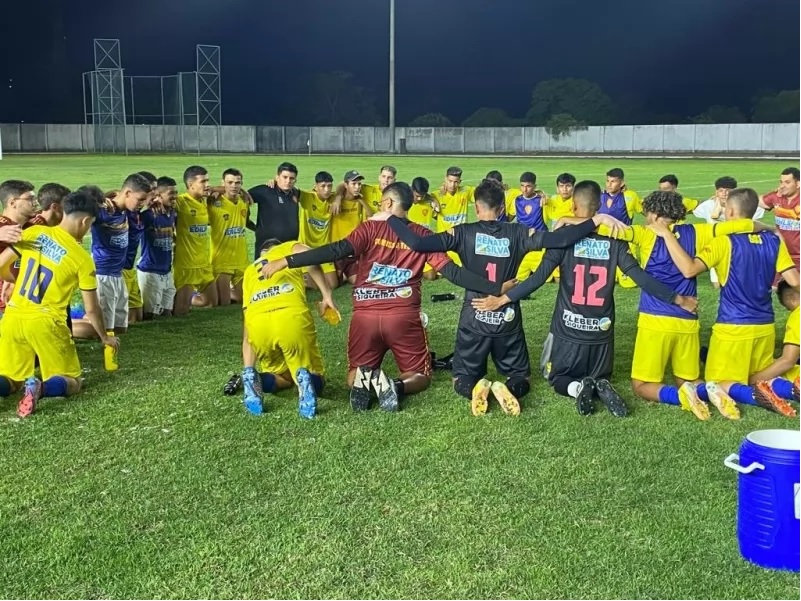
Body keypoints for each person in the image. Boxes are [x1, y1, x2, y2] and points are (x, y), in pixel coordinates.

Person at [387, 178, 628, 416]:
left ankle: (475, 389)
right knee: (520, 376)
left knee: (461, 377)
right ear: (503, 209)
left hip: (475, 316)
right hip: (507, 316)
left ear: (477, 207)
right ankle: (509, 388)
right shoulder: (519, 232)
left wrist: (391, 217)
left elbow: (417, 243)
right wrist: (595, 219)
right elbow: (560, 239)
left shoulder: (462, 233)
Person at [260, 182, 504, 413]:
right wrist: (495, 287)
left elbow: (336, 251)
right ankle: (395, 386)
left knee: (353, 375)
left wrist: (286, 261)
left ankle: (368, 378)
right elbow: (452, 272)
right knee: (420, 376)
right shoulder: (422, 235)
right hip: (403, 316)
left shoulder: (369, 228)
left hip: (365, 316)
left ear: (387, 203)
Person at [472, 181, 697, 418]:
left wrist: (503, 299)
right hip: (601, 334)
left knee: (555, 377)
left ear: (572, 204)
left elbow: (537, 278)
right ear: (599, 206)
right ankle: (599, 383)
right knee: (600, 375)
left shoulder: (562, 238)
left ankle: (577, 387)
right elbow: (640, 277)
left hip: (568, 331)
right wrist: (678, 299)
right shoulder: (615, 240)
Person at [587, 190, 757, 420]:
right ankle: (707, 389)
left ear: (655, 214)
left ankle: (681, 397)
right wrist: (768, 228)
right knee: (688, 378)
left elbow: (596, 227)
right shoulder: (698, 231)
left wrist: (568, 220)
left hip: (655, 319)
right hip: (688, 320)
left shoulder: (644, 234)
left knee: (641, 385)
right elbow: (742, 226)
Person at [654, 187, 800, 417]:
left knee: (716, 383)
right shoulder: (773, 240)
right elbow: (794, 280)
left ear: (730, 210)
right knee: (762, 373)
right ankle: (792, 387)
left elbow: (689, 269)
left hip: (732, 327)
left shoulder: (723, 242)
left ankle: (755, 397)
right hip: (765, 326)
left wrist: (667, 236)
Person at [0, 190, 119, 417]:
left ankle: (18, 385)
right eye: (90, 224)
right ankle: (41, 387)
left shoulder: (34, 232)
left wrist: (11, 281)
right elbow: (92, 309)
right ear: (85, 221)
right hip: (46, 322)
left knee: (10, 378)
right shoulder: (81, 259)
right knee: (73, 380)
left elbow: (1, 265)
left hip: (13, 317)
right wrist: (105, 337)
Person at [240, 238, 339, 418]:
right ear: (275, 248)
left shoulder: (249, 272)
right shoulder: (287, 249)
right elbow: (311, 257)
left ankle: (252, 378)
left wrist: (248, 367)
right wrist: (326, 294)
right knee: (316, 377)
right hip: (290, 319)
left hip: (259, 326)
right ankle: (306, 380)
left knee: (283, 377)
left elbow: (247, 332)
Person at [92, 173, 151, 334]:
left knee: (120, 328)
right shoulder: (104, 210)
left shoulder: (127, 211)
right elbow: (78, 208)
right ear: (127, 193)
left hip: (119, 275)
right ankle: (73, 327)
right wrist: (98, 201)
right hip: (103, 275)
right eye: (140, 199)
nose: (142, 204)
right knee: (105, 329)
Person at [744, 281, 800, 410]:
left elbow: (787, 361)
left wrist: (750, 380)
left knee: (780, 371)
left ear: (791, 298)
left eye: (787, 308)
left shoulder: (798, 316)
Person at [173, 165, 215, 315]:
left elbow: (221, 190)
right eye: (203, 181)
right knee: (181, 311)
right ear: (190, 185)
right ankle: (177, 298)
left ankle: (189, 297)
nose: (207, 185)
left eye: (208, 181)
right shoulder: (180, 202)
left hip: (203, 263)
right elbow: (161, 198)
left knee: (211, 302)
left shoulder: (204, 201)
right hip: (187, 264)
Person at [138, 176, 178, 319]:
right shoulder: (148, 215)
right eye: (171, 193)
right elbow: (133, 214)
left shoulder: (172, 213)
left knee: (167, 312)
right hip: (150, 271)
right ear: (158, 196)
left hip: (167, 271)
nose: (175, 197)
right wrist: (148, 205)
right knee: (151, 315)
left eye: (176, 192)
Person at [209, 168, 250, 305]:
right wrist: (217, 189)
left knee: (243, 299)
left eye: (237, 182)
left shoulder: (244, 201)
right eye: (230, 182)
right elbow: (198, 193)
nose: (234, 185)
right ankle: (197, 295)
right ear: (223, 183)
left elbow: (246, 220)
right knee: (224, 303)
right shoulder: (213, 201)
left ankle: (218, 291)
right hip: (222, 261)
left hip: (241, 260)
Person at [247, 162, 300, 258]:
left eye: (291, 178)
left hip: (290, 248)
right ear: (277, 177)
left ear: (295, 180)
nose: (288, 181)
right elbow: (238, 194)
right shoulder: (265, 190)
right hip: (266, 248)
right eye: (285, 177)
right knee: (264, 272)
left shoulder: (295, 193)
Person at [600, 167, 642, 289]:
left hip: (625, 240)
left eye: (613, 181)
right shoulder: (599, 196)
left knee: (629, 283)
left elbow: (643, 210)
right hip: (604, 242)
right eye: (607, 181)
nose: (609, 184)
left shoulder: (630, 197)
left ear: (622, 183)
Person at [330, 170, 374, 284]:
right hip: (337, 250)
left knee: (357, 280)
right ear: (346, 185)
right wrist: (338, 197)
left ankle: (345, 273)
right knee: (334, 282)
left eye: (359, 184)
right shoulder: (335, 200)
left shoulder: (359, 200)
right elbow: (339, 185)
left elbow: (371, 217)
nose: (357, 187)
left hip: (352, 250)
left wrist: (362, 201)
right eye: (353, 184)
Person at [0, 180, 37, 314]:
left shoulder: (33, 227)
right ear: (12, 203)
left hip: (29, 300)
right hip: (5, 304)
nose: (35, 203)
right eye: (30, 199)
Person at [759, 167, 800, 272]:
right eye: (781, 182)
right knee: (773, 287)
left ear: (798, 184)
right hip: (781, 254)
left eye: (787, 182)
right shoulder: (776, 197)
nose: (782, 186)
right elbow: (753, 201)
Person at [513, 172, 551, 282]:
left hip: (539, 238)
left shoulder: (541, 200)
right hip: (522, 239)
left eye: (528, 186)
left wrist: (543, 195)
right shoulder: (517, 199)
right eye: (522, 186)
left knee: (547, 277)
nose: (525, 189)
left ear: (535, 186)